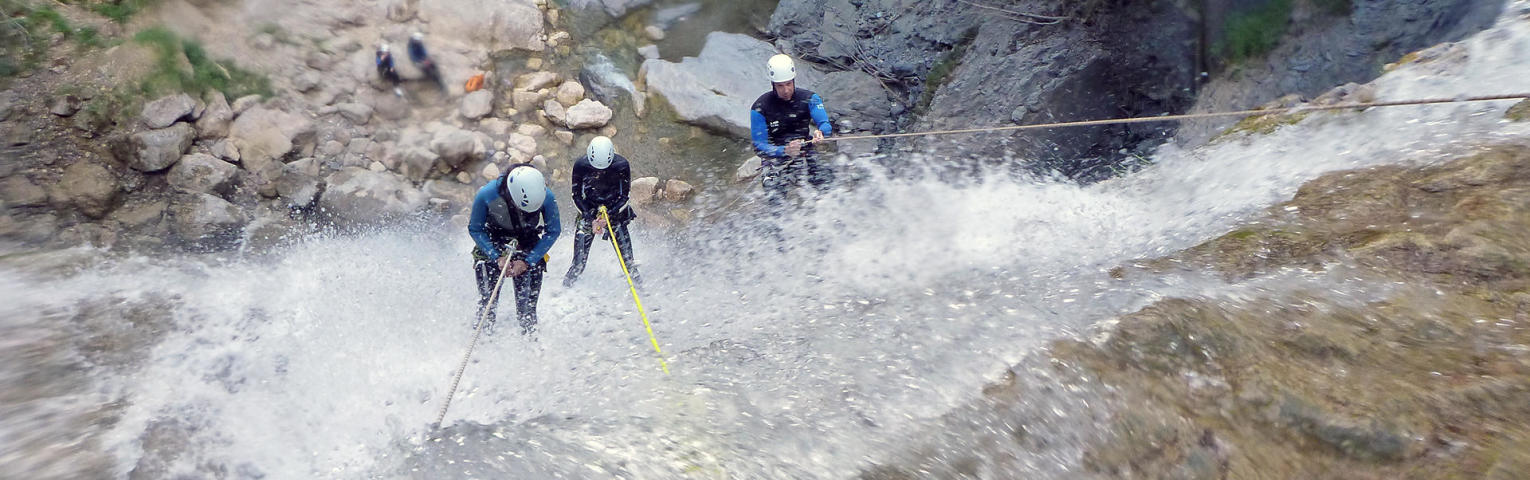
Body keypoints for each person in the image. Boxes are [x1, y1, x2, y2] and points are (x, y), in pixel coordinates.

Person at [468, 164, 562, 335]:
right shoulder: (487, 194)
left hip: (527, 241)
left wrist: (528, 261)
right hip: (493, 240)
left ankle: (530, 341)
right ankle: (482, 340)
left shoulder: (546, 196)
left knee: (527, 311)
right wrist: (496, 257)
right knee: (487, 303)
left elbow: (553, 231)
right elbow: (476, 228)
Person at [750, 53, 834, 205]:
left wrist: (821, 132)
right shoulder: (760, 108)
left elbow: (825, 124)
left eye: (789, 84)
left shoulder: (810, 98)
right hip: (775, 154)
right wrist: (784, 151)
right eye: (780, 86)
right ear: (773, 84)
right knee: (774, 196)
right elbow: (758, 145)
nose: (786, 90)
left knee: (827, 183)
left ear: (794, 80)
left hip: (805, 148)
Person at [563, 136, 640, 288]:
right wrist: (591, 218)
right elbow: (576, 196)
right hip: (588, 210)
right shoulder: (581, 165)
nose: (599, 172)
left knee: (628, 264)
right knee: (578, 265)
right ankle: (565, 289)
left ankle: (641, 292)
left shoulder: (621, 165)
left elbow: (625, 196)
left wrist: (609, 215)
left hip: (615, 212)